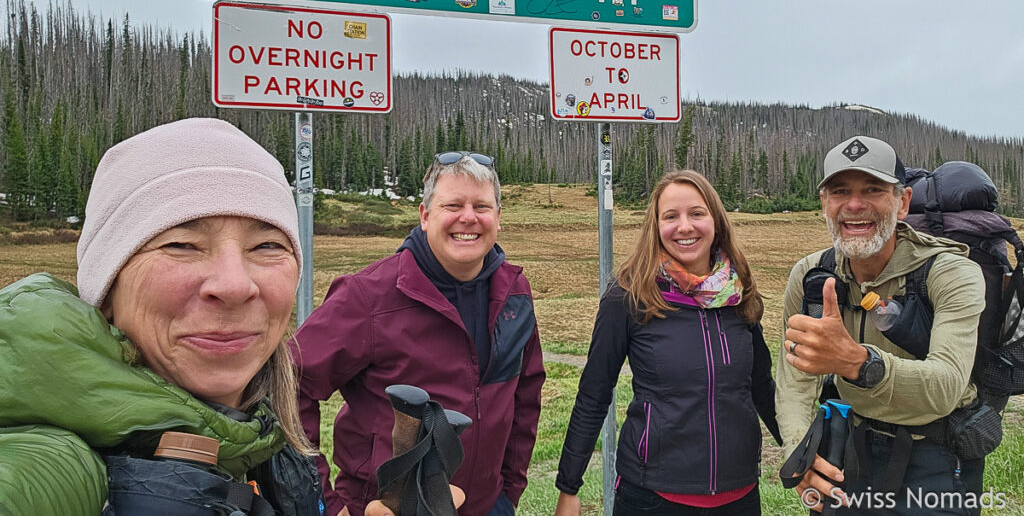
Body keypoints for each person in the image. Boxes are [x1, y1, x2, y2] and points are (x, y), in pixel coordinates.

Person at [0, 117, 344, 514]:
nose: (235, 285)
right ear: (106, 288)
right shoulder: (47, 473)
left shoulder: (262, 436)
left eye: (266, 245)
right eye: (181, 244)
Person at [291, 151, 545, 516]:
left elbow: (526, 397)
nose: (469, 217)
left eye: (482, 206)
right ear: (425, 216)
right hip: (386, 510)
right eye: (453, 204)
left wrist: (509, 491)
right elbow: (290, 382)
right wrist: (322, 505)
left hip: (488, 506)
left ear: (498, 218)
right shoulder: (369, 295)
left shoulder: (514, 292)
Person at [777, 135, 986, 515]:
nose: (855, 205)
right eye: (840, 191)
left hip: (936, 454)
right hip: (847, 445)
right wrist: (798, 451)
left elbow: (946, 387)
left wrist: (858, 363)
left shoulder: (952, 273)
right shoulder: (809, 275)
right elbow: (794, 378)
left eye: (873, 189)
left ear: (902, 202)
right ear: (824, 203)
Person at [555, 170, 781, 516]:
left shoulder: (739, 293)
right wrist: (569, 486)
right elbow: (594, 392)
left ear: (716, 222)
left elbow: (762, 388)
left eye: (697, 213)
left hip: (740, 496)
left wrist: (801, 457)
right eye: (670, 216)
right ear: (655, 227)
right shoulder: (628, 296)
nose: (685, 226)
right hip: (652, 497)